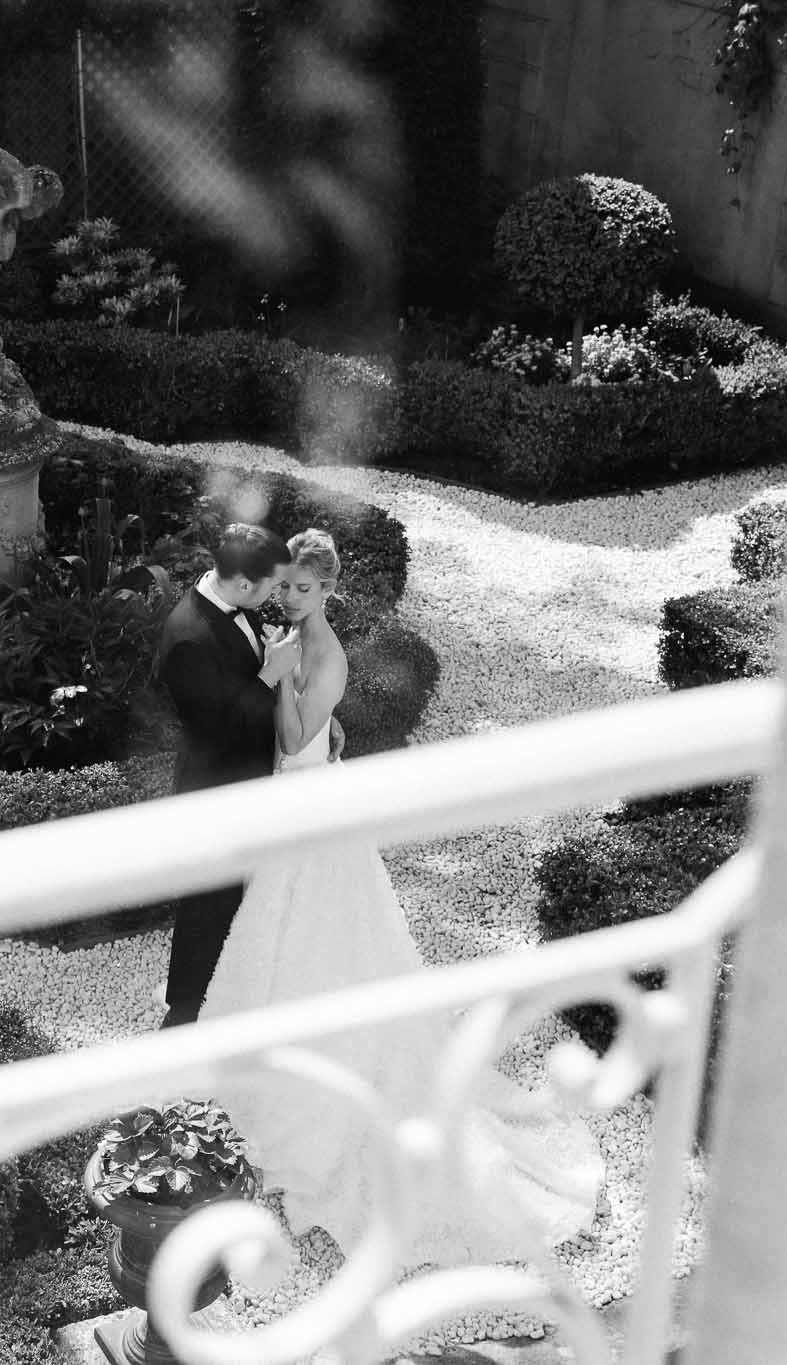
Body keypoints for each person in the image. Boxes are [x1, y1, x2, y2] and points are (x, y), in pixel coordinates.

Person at [196, 529, 604, 1265]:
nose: (289, 596)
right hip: (299, 802)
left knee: (316, 935)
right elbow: (317, 736)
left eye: (304, 589)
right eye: (285, 584)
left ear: (328, 594)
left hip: (309, 814)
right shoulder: (298, 639)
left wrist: (280, 676)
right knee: (279, 933)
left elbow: (292, 734)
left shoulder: (321, 654)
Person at [154, 523, 302, 1029]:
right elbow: (218, 724)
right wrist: (270, 673)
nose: (277, 594)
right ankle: (185, 1015)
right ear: (243, 585)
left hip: (244, 776)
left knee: (237, 897)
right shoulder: (188, 639)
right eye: (272, 586)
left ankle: (232, 994)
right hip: (213, 786)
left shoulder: (231, 599)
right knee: (208, 903)